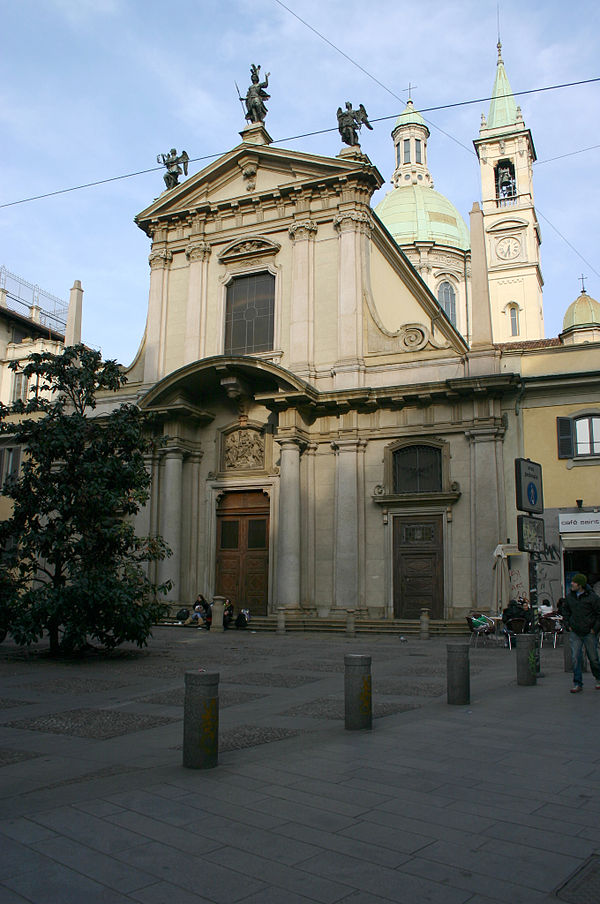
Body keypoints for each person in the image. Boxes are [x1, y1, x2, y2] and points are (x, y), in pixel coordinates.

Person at [562, 573, 600, 693]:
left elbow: (599, 614)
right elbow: (565, 611)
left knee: (593, 658)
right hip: (576, 631)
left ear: (580, 585)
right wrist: (568, 625)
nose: (571, 584)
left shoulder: (592, 598)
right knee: (575, 657)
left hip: (589, 632)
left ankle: (598, 678)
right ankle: (577, 683)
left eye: (574, 582)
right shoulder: (570, 597)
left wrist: (595, 629)